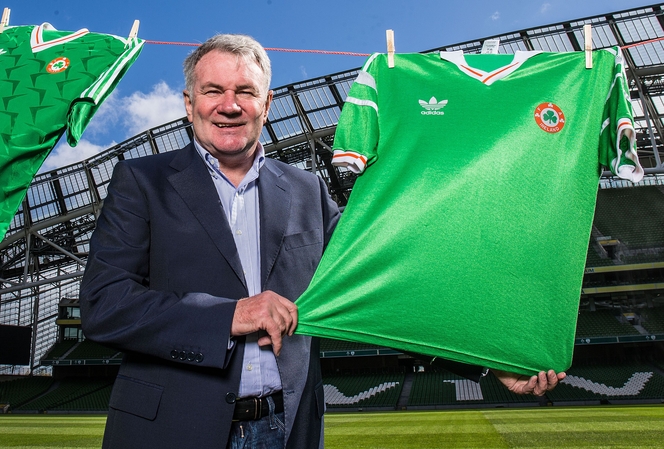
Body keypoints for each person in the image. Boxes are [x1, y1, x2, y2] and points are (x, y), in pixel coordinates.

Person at [79, 34, 564, 449]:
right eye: (213, 91)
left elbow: (379, 287)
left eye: (246, 91)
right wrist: (230, 315)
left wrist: (492, 358)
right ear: (189, 103)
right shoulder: (141, 181)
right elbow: (104, 304)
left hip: (288, 428)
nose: (230, 105)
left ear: (267, 104)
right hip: (171, 430)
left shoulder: (306, 189)